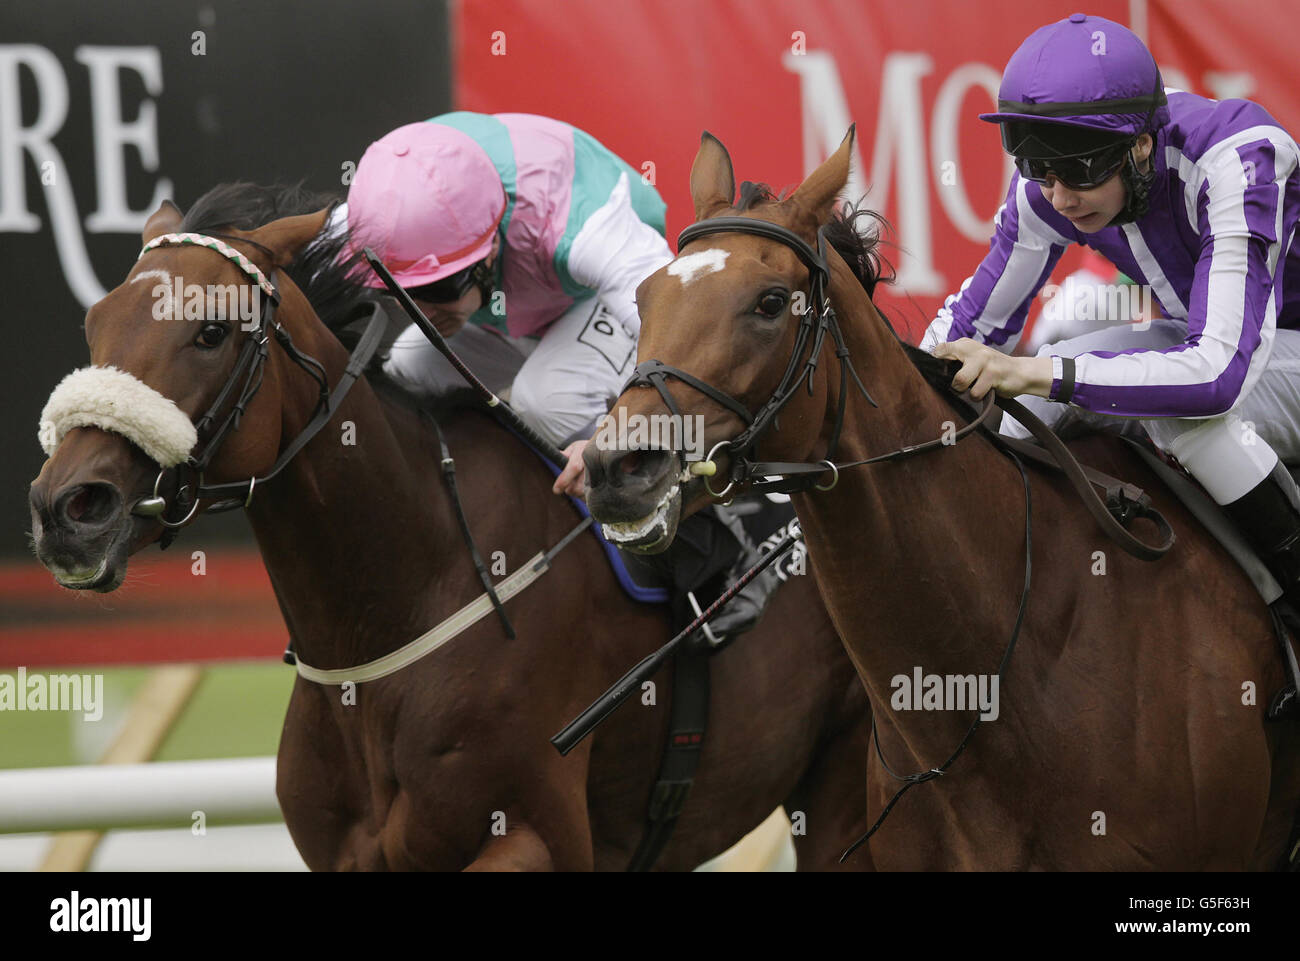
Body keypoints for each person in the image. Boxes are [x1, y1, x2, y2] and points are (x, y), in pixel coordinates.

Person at [340, 112, 779, 638]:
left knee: (548, 399)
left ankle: (725, 555)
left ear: (490, 248)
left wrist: (611, 434)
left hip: (604, 300)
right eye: (400, 294)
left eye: (434, 289)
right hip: (515, 310)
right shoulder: (383, 213)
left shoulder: (589, 228)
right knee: (405, 376)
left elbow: (678, 337)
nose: (419, 311)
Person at [920, 13, 1300, 610]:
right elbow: (964, 335)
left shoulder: (1239, 156)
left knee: (1169, 413)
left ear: (1142, 144)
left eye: (1080, 171)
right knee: (1032, 397)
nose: (1061, 196)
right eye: (1037, 170)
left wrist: (1033, 372)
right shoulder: (1051, 191)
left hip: (1262, 352)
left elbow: (1215, 376)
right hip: (1236, 349)